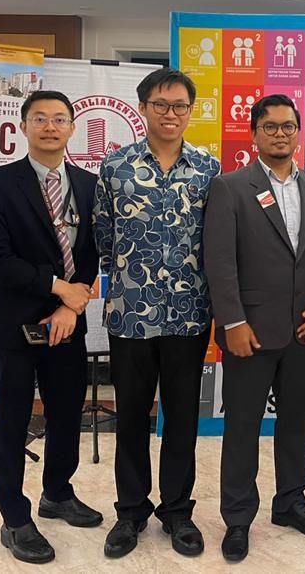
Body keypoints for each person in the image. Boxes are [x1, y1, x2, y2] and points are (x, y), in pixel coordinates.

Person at [203, 94, 305, 562]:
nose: (280, 134)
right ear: (255, 134)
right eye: (271, 127)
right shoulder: (230, 187)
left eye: (288, 126)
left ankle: (291, 503)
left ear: (299, 131)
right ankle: (238, 518)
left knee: (297, 423)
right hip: (251, 332)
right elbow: (219, 263)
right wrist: (234, 322)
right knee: (242, 426)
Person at [93, 68, 221, 559]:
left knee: (182, 416)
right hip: (130, 315)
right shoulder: (115, 167)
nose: (171, 114)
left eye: (181, 106)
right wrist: (128, 280)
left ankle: (177, 511)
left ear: (191, 111)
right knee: (130, 415)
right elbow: (103, 238)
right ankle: (130, 511)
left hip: (189, 315)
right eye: (161, 105)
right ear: (144, 107)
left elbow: (216, 244)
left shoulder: (208, 169)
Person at [0, 90, 102, 565]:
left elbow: (91, 254)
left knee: (67, 413)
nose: (50, 127)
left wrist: (72, 305)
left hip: (66, 325)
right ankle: (15, 519)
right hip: (13, 325)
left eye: (60, 119)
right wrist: (58, 288)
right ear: (23, 126)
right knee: (13, 421)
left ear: (72, 128)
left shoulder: (90, 186)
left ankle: (58, 494)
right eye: (40, 119)